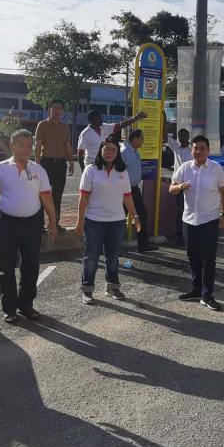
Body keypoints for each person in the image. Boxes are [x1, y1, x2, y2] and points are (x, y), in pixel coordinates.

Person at [0, 129, 59, 324]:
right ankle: (8, 308)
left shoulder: (39, 170)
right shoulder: (0, 168)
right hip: (7, 223)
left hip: (32, 223)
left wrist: (53, 220)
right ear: (12, 146)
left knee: (31, 265)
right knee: (6, 266)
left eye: (29, 145)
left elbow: (47, 197)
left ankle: (26, 305)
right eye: (21, 145)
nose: (26, 149)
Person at [75, 138, 142, 305]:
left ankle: (112, 287)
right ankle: (87, 289)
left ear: (117, 153)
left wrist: (135, 216)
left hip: (117, 221)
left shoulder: (122, 172)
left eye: (113, 150)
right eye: (106, 149)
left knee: (112, 258)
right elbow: (83, 197)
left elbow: (127, 197)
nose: (110, 152)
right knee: (91, 257)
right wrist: (80, 220)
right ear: (100, 150)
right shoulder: (91, 170)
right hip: (94, 221)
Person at [168, 135, 224, 311]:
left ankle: (207, 294)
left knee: (208, 259)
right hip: (189, 220)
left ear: (208, 150)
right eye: (196, 148)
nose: (199, 151)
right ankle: (196, 289)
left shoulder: (216, 168)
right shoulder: (185, 167)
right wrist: (180, 187)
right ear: (192, 150)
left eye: (202, 148)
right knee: (193, 257)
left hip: (209, 220)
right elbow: (171, 189)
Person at [34, 100, 74, 232]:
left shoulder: (65, 127)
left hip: (60, 164)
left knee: (57, 196)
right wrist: (37, 164)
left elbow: (67, 145)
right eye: (54, 108)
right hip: (46, 163)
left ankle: (54, 223)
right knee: (42, 195)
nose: (57, 110)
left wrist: (71, 162)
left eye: (59, 108)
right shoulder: (42, 125)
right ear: (49, 110)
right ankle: (39, 224)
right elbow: (38, 145)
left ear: (63, 111)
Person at [121, 129, 158, 253]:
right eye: (141, 138)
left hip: (135, 190)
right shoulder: (124, 153)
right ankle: (115, 247)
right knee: (120, 218)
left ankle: (143, 245)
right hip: (125, 191)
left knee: (142, 216)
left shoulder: (136, 152)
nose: (143, 141)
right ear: (135, 138)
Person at [76, 109, 147, 170]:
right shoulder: (85, 134)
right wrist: (83, 170)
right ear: (92, 120)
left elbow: (120, 125)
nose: (102, 119)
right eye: (99, 117)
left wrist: (135, 118)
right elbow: (80, 153)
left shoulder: (104, 127)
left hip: (104, 164)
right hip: (91, 165)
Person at [166, 129, 192, 241]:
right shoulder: (176, 147)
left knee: (190, 209)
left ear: (188, 136)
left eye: (184, 136)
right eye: (180, 136)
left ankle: (190, 233)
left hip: (191, 186)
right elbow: (165, 136)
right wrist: (163, 119)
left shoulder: (193, 149)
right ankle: (180, 233)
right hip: (178, 185)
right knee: (180, 210)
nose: (181, 138)